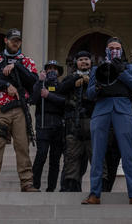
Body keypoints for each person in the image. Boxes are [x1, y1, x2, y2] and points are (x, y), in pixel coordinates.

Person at [82, 37, 132, 205]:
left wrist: (121, 72)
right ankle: (94, 194)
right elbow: (89, 95)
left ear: (122, 50)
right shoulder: (97, 68)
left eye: (117, 48)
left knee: (128, 153)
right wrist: (97, 87)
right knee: (97, 153)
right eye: (111, 48)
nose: (114, 51)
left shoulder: (130, 67)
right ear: (106, 51)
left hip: (123, 109)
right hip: (101, 109)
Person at [0, 28, 39, 192]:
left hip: (20, 108)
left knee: (22, 146)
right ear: (6, 40)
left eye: (18, 40)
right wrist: (6, 85)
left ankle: (27, 183)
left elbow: (33, 82)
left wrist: (16, 67)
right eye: (13, 39)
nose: (15, 42)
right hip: (0, 108)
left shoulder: (26, 61)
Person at [59, 51, 95, 192]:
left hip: (93, 122)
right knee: (72, 160)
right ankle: (71, 189)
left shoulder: (96, 76)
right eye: (81, 59)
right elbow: (61, 89)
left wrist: (89, 81)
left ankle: (99, 190)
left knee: (95, 158)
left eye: (86, 59)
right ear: (76, 62)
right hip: (73, 124)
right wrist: (75, 80)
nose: (84, 62)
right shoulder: (71, 77)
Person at [31, 60, 66, 191]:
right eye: (49, 68)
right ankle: (35, 185)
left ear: (59, 72)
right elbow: (33, 100)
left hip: (58, 125)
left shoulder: (62, 86)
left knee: (55, 159)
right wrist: (39, 82)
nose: (52, 71)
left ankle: (51, 188)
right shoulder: (40, 84)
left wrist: (49, 95)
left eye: (54, 69)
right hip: (43, 124)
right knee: (41, 154)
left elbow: (65, 102)